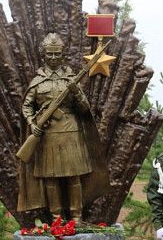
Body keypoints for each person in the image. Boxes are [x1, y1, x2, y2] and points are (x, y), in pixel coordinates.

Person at [17, 33, 108, 222]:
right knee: (51, 179)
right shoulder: (38, 81)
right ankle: (56, 218)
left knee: (74, 178)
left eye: (56, 54)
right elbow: (26, 106)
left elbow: (84, 109)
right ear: (43, 54)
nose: (53, 58)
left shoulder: (70, 79)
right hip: (48, 136)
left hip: (71, 134)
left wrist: (77, 93)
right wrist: (32, 124)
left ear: (62, 54)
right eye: (49, 54)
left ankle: (76, 217)